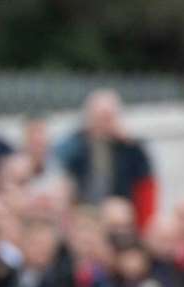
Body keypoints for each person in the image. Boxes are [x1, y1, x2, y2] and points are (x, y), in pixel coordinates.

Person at [57, 89, 155, 228]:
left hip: (116, 209)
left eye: (108, 117)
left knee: (115, 212)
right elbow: (57, 159)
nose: (104, 123)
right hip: (81, 208)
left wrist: (130, 145)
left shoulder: (131, 149)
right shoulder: (77, 144)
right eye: (99, 117)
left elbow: (146, 185)